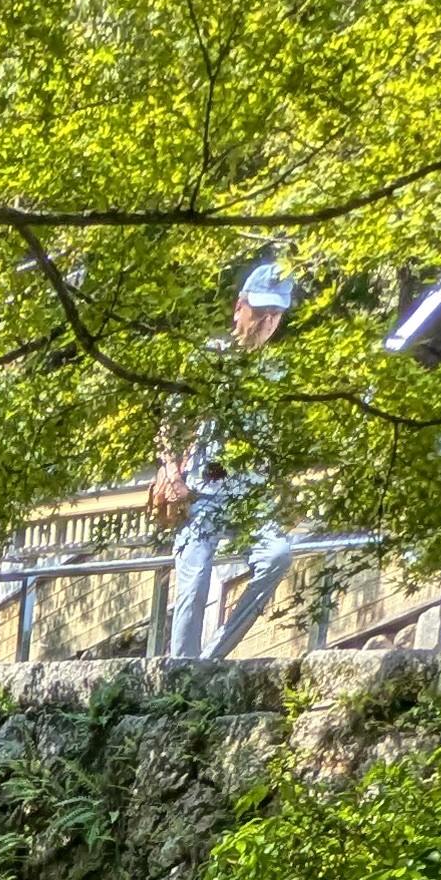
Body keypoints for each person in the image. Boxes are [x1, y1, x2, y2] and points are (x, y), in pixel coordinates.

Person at [154, 258, 302, 662]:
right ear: (240, 307)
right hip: (202, 491)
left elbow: (281, 442)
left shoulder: (278, 372)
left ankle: (213, 657)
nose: (268, 322)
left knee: (278, 556)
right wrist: (171, 475)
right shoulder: (209, 357)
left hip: (252, 498)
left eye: (276, 314)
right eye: (261, 311)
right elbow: (171, 423)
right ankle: (181, 670)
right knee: (194, 579)